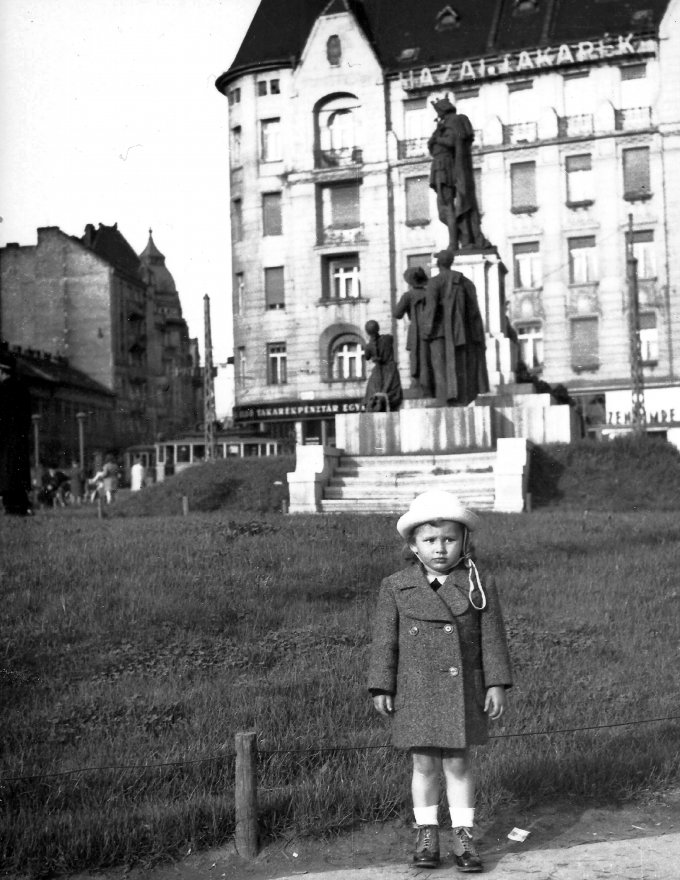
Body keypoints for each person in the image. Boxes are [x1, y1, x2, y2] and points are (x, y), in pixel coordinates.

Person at [368, 490, 512, 871]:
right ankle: (427, 832)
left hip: (462, 690)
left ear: (464, 541)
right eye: (429, 540)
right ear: (413, 545)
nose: (439, 548)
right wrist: (382, 685)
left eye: (449, 539)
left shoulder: (478, 583)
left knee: (460, 766)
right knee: (424, 766)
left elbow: (492, 638)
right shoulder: (396, 586)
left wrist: (495, 683)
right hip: (416, 691)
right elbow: (385, 642)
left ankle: (464, 836)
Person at [422, 250, 490, 405]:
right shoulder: (466, 282)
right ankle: (461, 400)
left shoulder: (434, 282)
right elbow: (474, 313)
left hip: (439, 334)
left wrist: (426, 332)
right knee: (461, 368)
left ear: (438, 264)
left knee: (441, 369)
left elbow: (431, 309)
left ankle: (445, 401)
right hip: (462, 334)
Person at [428, 97, 488, 251]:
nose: (438, 117)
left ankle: (455, 243)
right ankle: (461, 239)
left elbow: (452, 142)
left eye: (439, 113)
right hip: (440, 168)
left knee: (447, 208)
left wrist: (437, 138)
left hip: (445, 169)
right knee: (445, 210)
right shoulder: (446, 124)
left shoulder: (452, 122)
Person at [394, 266, 435, 397]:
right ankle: (430, 385)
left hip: (416, 331)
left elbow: (397, 313)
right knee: (429, 358)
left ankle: (418, 385)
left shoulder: (408, 296)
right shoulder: (431, 293)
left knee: (416, 358)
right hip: (431, 330)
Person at [363, 320, 403, 412]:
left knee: (373, 390)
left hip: (379, 371)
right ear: (378, 329)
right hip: (390, 370)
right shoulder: (387, 338)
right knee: (390, 391)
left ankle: (375, 402)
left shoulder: (369, 345)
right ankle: (379, 401)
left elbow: (366, 357)